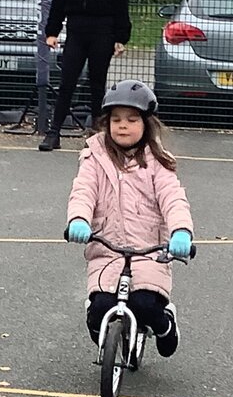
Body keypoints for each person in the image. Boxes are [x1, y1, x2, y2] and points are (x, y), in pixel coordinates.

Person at [62, 80, 193, 357]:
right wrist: (79, 220)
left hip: (149, 253)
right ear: (106, 123)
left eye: (132, 120)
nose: (123, 126)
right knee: (99, 312)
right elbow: (83, 191)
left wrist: (180, 231)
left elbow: (173, 198)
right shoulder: (95, 157)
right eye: (116, 120)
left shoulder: (157, 160)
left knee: (145, 305)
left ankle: (166, 326)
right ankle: (107, 335)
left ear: (146, 124)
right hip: (107, 250)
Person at [39, 0, 132, 153]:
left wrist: (120, 38)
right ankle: (54, 132)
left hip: (103, 32)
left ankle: (97, 136)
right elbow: (58, 3)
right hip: (77, 32)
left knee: (97, 84)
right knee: (67, 82)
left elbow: (121, 7)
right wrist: (52, 32)